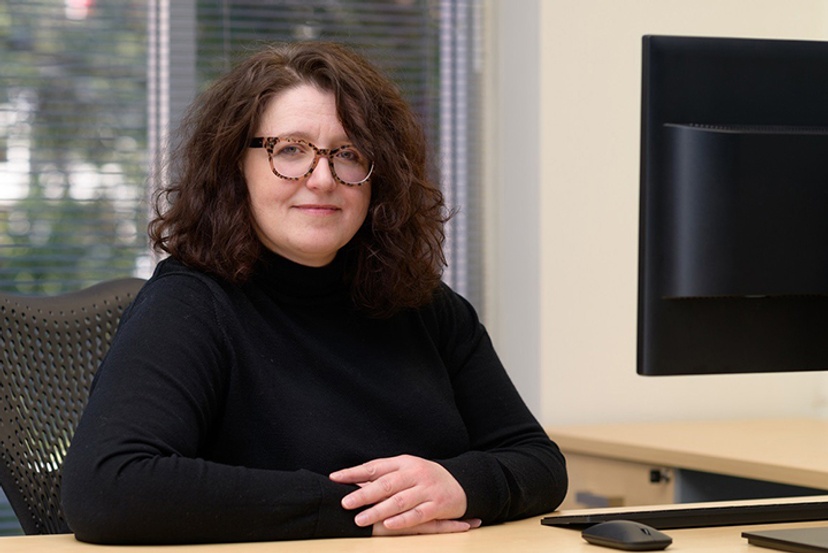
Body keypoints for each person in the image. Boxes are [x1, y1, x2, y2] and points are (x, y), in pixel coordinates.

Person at [60, 41, 567, 545]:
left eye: (348, 154)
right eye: (291, 150)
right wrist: (359, 514)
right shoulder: (190, 306)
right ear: (237, 165)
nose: (322, 178)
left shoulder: (425, 306)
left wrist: (460, 486)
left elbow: (538, 461)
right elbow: (108, 488)